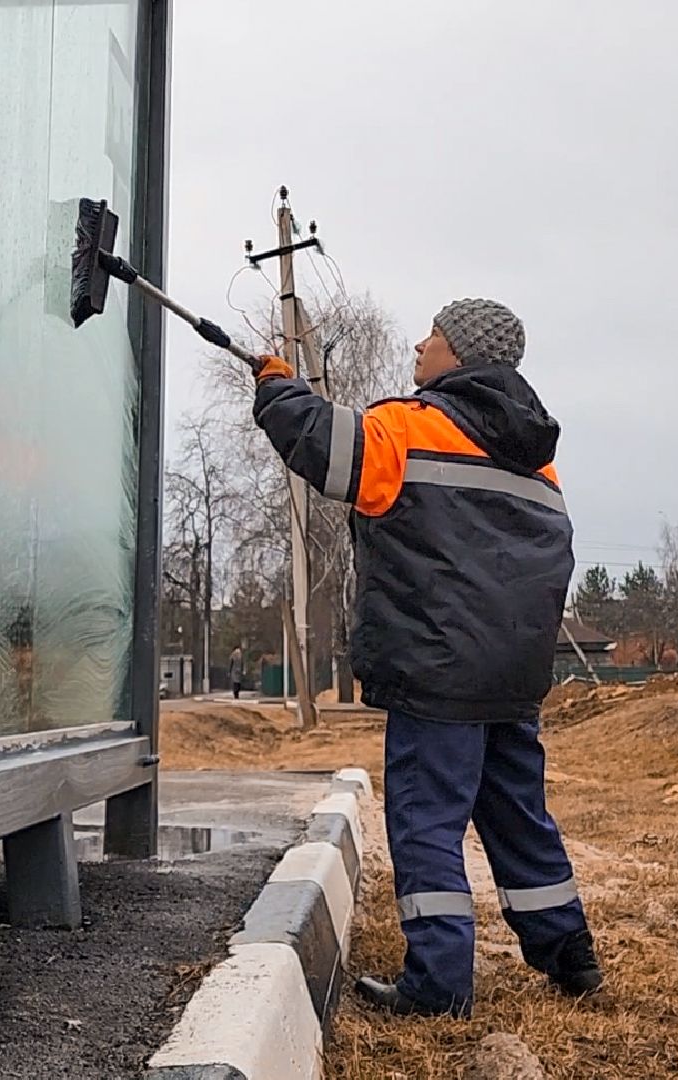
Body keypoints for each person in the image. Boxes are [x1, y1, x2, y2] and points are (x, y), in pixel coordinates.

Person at [251, 298, 602, 1017]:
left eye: (433, 336)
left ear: (462, 356)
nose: (418, 345)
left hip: (437, 678)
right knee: (518, 818)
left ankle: (439, 988)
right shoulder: (538, 464)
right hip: (509, 682)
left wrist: (276, 387)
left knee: (426, 824)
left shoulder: (411, 428)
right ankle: (571, 956)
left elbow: (325, 444)